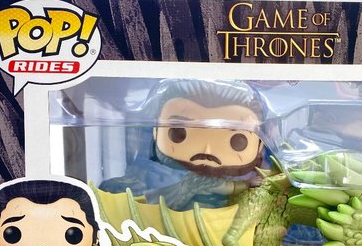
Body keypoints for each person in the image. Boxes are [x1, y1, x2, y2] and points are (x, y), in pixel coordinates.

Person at [101, 79, 266, 210]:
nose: (207, 150)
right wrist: (247, 184)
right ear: (155, 131)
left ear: (260, 145)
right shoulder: (199, 179)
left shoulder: (202, 179)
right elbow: (227, 187)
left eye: (237, 140)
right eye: (179, 132)